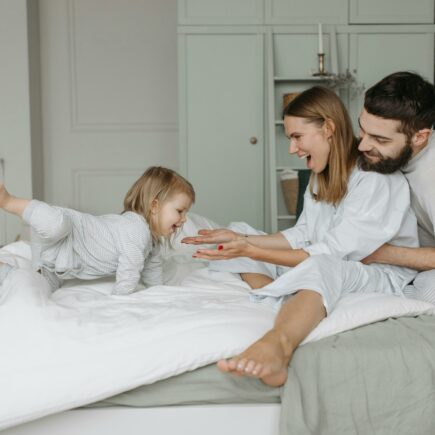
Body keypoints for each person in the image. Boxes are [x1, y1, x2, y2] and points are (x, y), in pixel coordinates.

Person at [182, 86, 418, 387]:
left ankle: (277, 345)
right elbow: (305, 233)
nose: (293, 149)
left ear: (328, 128)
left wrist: (252, 251)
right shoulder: (323, 174)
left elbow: (332, 252)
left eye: (297, 137)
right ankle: (281, 297)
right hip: (327, 259)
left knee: (319, 266)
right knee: (240, 232)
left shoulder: (375, 179)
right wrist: (242, 240)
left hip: (376, 273)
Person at [0, 166, 194, 295]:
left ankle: (4, 270)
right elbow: (129, 274)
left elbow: (154, 281)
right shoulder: (136, 230)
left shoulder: (153, 243)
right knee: (56, 224)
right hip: (67, 233)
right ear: (154, 206)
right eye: (179, 211)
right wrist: (119, 301)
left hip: (57, 264)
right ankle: (8, 201)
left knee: (35, 288)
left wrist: (161, 297)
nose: (184, 219)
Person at [358, 72, 435, 304]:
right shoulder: (384, 156)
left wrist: (375, 253)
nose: (363, 145)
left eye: (380, 140)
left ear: (419, 137)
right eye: (362, 129)